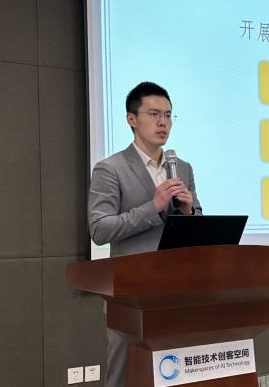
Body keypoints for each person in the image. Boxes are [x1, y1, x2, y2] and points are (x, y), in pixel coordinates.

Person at [87, 81, 201, 387]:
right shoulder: (110, 169)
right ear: (131, 119)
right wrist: (153, 207)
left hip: (178, 288)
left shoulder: (183, 168)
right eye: (154, 114)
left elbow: (198, 225)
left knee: (176, 375)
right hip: (131, 293)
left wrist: (189, 211)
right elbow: (99, 229)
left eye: (168, 115)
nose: (163, 122)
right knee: (124, 375)